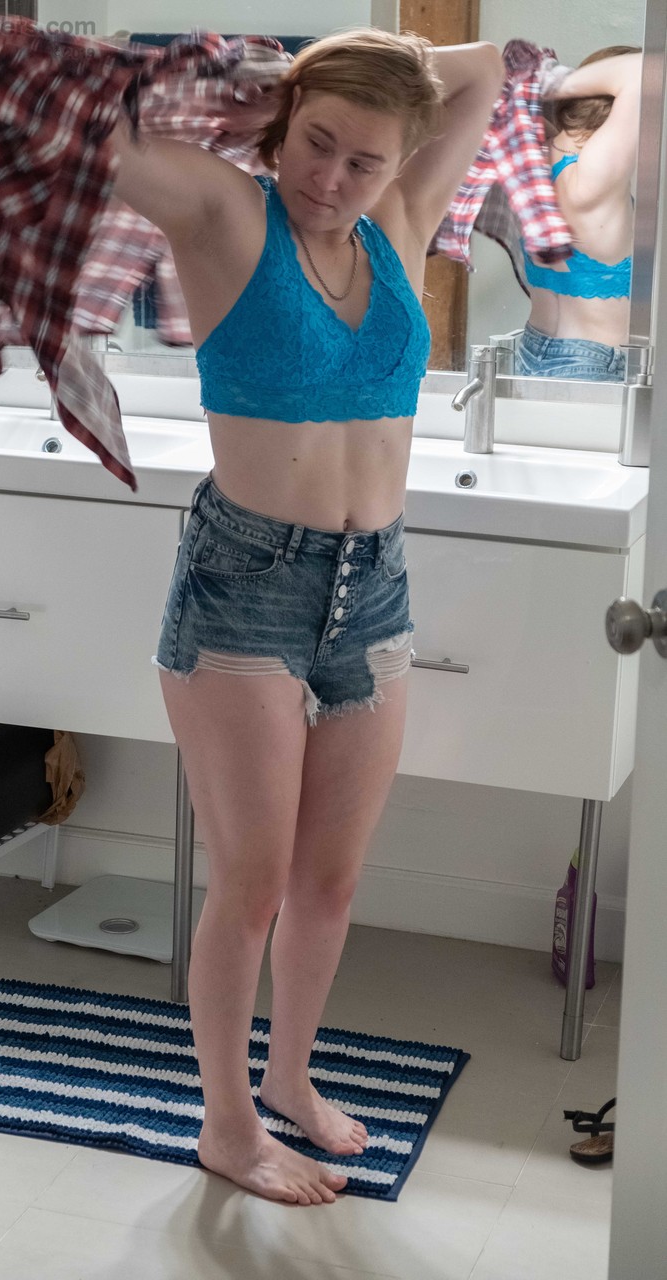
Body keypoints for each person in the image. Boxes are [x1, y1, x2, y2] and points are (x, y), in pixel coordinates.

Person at [111, 27, 503, 1206]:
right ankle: (226, 1123)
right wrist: (263, 82)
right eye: (314, 142)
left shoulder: (399, 222)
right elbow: (88, 132)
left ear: (400, 163)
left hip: (374, 585)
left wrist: (371, 66)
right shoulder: (230, 217)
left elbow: (484, 69)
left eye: (364, 158)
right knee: (251, 880)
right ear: (284, 126)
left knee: (329, 880)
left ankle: (289, 1075)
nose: (330, 177)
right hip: (246, 585)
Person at [517, 46, 642, 381]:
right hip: (589, 365)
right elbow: (642, 71)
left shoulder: (535, 154)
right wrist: (552, 80)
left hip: (533, 349)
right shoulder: (594, 175)